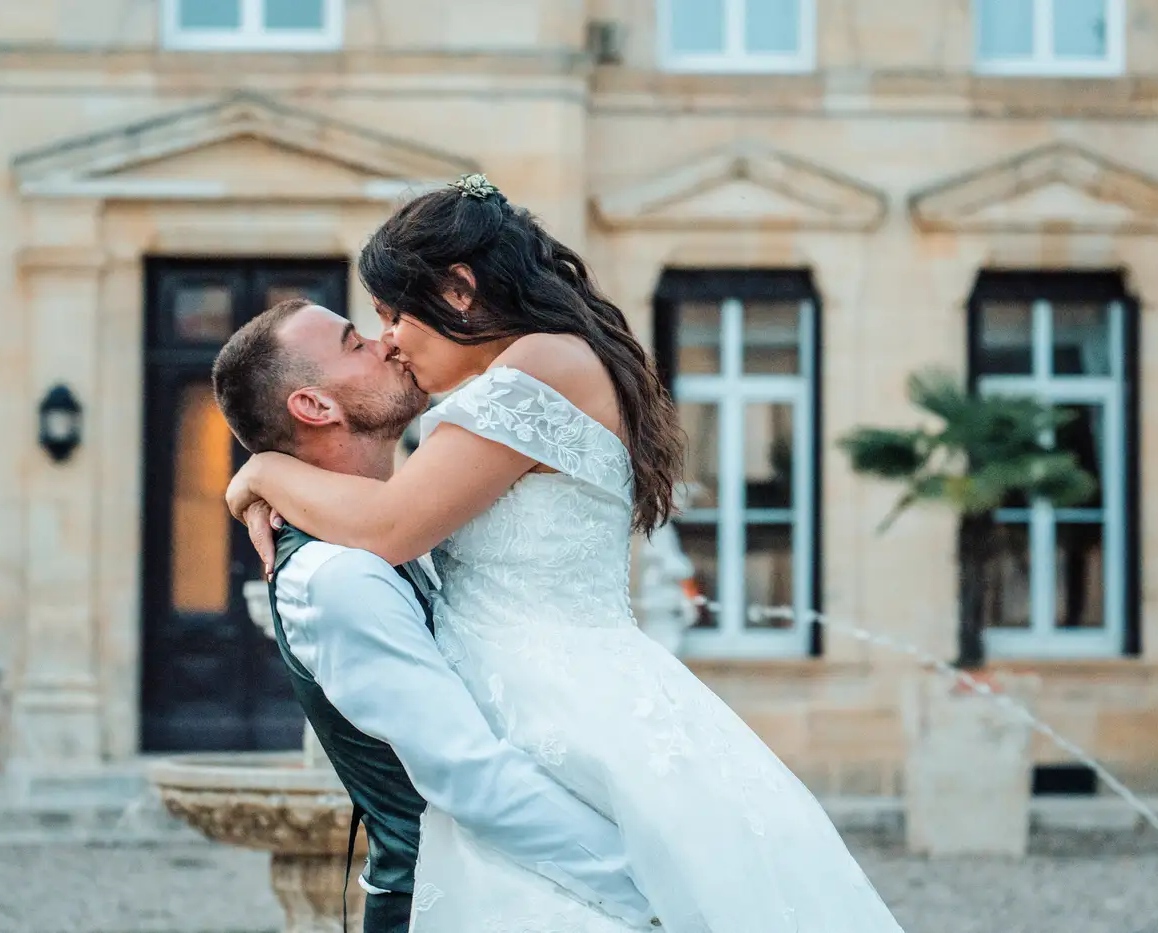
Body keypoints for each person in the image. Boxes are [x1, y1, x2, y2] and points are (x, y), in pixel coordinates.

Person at [225, 175, 907, 933]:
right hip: (569, 695)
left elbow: (389, 526)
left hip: (559, 699)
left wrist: (261, 471)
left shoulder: (535, 369)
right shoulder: (542, 368)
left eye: (391, 315)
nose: (389, 339)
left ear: (458, 291)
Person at [210, 298, 659, 933]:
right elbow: (468, 777)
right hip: (442, 907)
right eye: (354, 343)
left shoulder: (400, 528)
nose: (386, 343)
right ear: (314, 407)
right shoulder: (339, 577)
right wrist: (654, 892)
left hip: (526, 893)